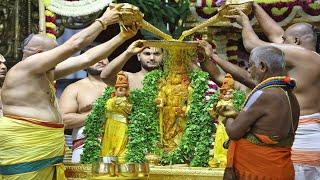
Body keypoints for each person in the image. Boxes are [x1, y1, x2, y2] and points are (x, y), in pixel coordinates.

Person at [0, 4, 138, 179]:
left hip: (46, 150)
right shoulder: (26, 68)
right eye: (56, 53)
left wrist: (122, 37)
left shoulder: (47, 72)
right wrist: (103, 21)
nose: (60, 57)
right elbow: (75, 45)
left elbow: (87, 58)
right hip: (25, 149)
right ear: (40, 54)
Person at [201, 3, 320, 178]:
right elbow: (248, 76)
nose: (280, 43)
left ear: (296, 42)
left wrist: (244, 20)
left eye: (284, 41)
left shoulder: (304, 56)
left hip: (299, 148)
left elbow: (253, 45)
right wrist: (254, 6)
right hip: (309, 143)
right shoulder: (290, 77)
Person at [222, 46, 300, 179]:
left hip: (258, 173)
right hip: (281, 171)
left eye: (251, 65)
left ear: (262, 66)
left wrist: (225, 115)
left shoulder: (263, 94)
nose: (248, 70)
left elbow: (234, 132)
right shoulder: (292, 97)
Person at [59, 46, 109, 162]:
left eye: (104, 57)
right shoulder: (75, 88)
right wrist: (98, 114)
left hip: (120, 147)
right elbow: (63, 120)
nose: (101, 60)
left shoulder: (122, 85)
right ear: (83, 65)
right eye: (95, 58)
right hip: (84, 148)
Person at [101, 71, 131, 163]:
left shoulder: (128, 102)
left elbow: (128, 111)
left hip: (122, 125)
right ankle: (108, 161)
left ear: (127, 91)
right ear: (115, 89)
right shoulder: (110, 101)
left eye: (123, 88)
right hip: (110, 124)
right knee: (109, 143)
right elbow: (107, 109)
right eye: (118, 88)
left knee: (121, 143)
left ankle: (119, 159)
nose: (121, 89)